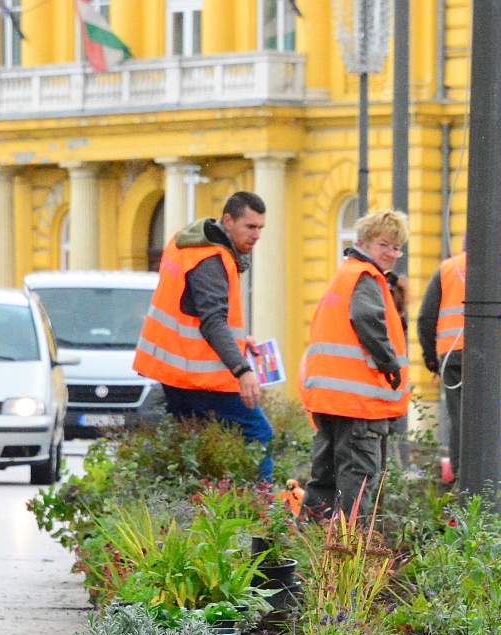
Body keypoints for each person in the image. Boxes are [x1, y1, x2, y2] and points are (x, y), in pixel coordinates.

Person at [134, 190, 272, 481]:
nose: (257, 235)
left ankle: (196, 508)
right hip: (201, 377)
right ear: (228, 221)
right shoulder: (212, 260)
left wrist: (237, 343)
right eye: (250, 227)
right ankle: (262, 511)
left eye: (260, 228)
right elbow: (212, 322)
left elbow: (193, 312)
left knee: (193, 449)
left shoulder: (188, 243)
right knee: (259, 433)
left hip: (177, 371)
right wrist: (242, 369)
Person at [300, 209, 412, 518]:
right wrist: (389, 364)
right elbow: (366, 318)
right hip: (358, 401)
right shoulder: (366, 278)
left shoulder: (344, 274)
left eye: (396, 247)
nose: (391, 253)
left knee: (324, 478)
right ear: (363, 242)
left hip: (329, 398)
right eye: (384, 245)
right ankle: (351, 550)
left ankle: (305, 541)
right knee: (357, 478)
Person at [417, 241, 501, 478]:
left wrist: (431, 359)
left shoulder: (446, 269)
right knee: (500, 412)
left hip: (454, 356)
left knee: (460, 419)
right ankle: (491, 475)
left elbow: (425, 318)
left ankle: (462, 480)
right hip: (499, 355)